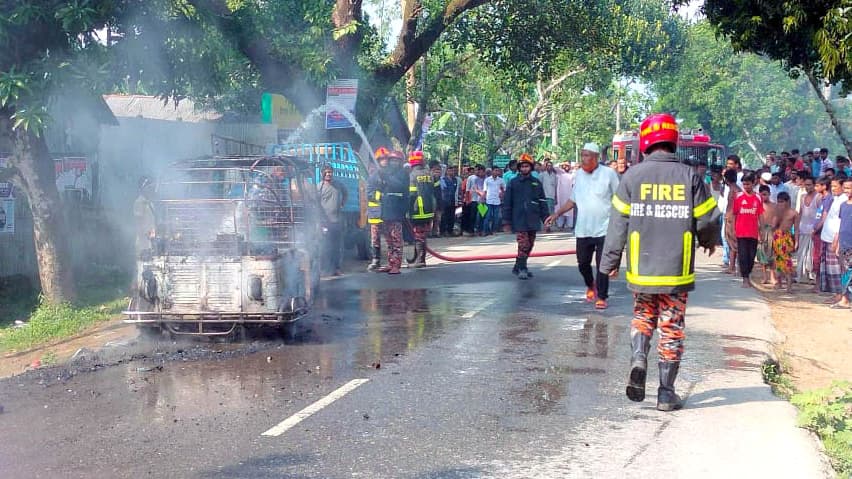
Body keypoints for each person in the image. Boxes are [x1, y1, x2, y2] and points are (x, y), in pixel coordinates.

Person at [599, 112, 719, 412]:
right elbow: (707, 220)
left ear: (646, 141)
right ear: (673, 140)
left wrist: (609, 262)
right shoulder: (690, 176)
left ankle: (639, 358)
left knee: (642, 317)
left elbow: (617, 224)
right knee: (671, 326)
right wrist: (707, 242)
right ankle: (666, 393)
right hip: (676, 271)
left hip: (642, 269)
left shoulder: (632, 176)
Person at [545, 142, 620, 310]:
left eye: (588, 156)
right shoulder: (578, 175)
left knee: (603, 265)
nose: (584, 159)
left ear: (596, 158)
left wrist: (621, 222)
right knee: (582, 263)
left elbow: (619, 198)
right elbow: (573, 200)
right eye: (583, 156)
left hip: (605, 227)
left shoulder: (609, 174)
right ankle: (590, 284)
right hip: (583, 229)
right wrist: (556, 213)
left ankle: (602, 296)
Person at [502, 153, 549, 280]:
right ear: (519, 168)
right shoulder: (513, 183)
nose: (524, 169)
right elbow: (507, 202)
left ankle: (518, 265)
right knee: (523, 244)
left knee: (530, 244)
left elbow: (542, 202)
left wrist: (546, 219)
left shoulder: (536, 183)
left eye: (526, 166)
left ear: (531, 167)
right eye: (522, 166)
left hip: (533, 218)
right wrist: (506, 221)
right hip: (519, 219)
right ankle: (522, 268)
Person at [380, 150, 410, 274]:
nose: (393, 162)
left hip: (397, 211)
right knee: (389, 240)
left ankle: (397, 264)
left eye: (396, 160)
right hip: (386, 210)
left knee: (396, 239)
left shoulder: (403, 174)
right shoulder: (386, 172)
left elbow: (399, 186)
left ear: (400, 162)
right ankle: (390, 262)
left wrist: (387, 178)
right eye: (392, 160)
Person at [733, 172, 763, 288]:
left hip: (753, 232)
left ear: (753, 183)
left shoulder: (758, 197)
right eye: (744, 184)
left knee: (751, 256)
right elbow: (734, 214)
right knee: (743, 256)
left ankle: (748, 275)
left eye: (748, 184)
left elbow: (760, 215)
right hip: (741, 231)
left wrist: (762, 232)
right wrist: (732, 230)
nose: (746, 187)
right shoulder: (738, 197)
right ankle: (745, 278)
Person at [317, 164, 348, 276]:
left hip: (337, 221)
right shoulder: (319, 187)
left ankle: (336, 268)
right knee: (325, 246)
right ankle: (326, 269)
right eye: (326, 172)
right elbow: (316, 203)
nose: (329, 174)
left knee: (337, 247)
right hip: (325, 222)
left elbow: (345, 193)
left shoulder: (338, 185)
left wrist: (342, 203)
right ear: (322, 174)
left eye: (330, 172)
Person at [407, 151, 436, 268]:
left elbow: (412, 194)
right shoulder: (429, 174)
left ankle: (420, 260)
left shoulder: (412, 175)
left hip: (417, 209)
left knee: (418, 235)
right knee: (422, 235)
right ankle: (416, 258)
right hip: (429, 209)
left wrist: (407, 210)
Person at [366, 148, 390, 272]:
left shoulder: (390, 175)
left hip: (387, 212)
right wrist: (381, 195)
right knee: (375, 237)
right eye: (382, 159)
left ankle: (392, 259)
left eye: (386, 159)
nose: (384, 161)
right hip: (375, 213)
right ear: (378, 161)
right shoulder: (373, 177)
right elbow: (369, 193)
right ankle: (376, 259)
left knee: (389, 236)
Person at [773, 191, 799, 292]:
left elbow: (796, 229)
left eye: (782, 202)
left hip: (787, 237)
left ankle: (789, 286)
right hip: (777, 236)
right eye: (778, 202)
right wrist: (779, 214)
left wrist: (796, 241)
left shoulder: (794, 213)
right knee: (778, 260)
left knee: (787, 261)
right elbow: (774, 225)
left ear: (788, 202)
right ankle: (779, 282)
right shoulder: (777, 211)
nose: (780, 204)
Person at [832, 178, 852, 307]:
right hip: (844, 244)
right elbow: (841, 226)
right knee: (845, 272)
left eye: (849, 188)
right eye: (845, 188)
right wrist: (837, 242)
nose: (846, 191)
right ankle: (845, 298)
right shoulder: (843, 205)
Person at [796, 176, 818, 283]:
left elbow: (819, 214)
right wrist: (796, 227)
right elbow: (800, 212)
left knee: (811, 254)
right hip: (803, 228)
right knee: (801, 253)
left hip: (814, 229)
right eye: (806, 185)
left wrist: (817, 227)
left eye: (809, 185)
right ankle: (800, 275)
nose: (807, 187)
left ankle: (811, 275)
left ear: (814, 185)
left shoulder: (818, 197)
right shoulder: (802, 197)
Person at [756, 185, 776, 285]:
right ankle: (764, 276)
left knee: (771, 255)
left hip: (771, 231)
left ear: (769, 194)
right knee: (762, 255)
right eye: (762, 195)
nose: (764, 197)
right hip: (761, 231)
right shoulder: (757, 206)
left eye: (766, 195)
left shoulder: (774, 206)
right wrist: (759, 234)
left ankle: (772, 276)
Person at [483, 166, 504, 235]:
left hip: (497, 200)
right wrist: (483, 198)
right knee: (487, 216)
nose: (496, 172)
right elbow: (485, 190)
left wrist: (502, 195)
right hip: (488, 200)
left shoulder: (501, 180)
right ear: (492, 171)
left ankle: (493, 230)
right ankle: (485, 231)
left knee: (496, 217)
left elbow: (504, 189)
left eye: (498, 171)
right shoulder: (487, 180)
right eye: (495, 170)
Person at [439, 165, 459, 236]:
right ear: (447, 172)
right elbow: (442, 190)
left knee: (452, 216)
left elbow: (455, 189)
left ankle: (450, 230)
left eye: (453, 171)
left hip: (452, 200)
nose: (452, 172)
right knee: (444, 216)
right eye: (450, 171)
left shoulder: (455, 180)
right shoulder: (443, 179)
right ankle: (443, 231)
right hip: (445, 200)